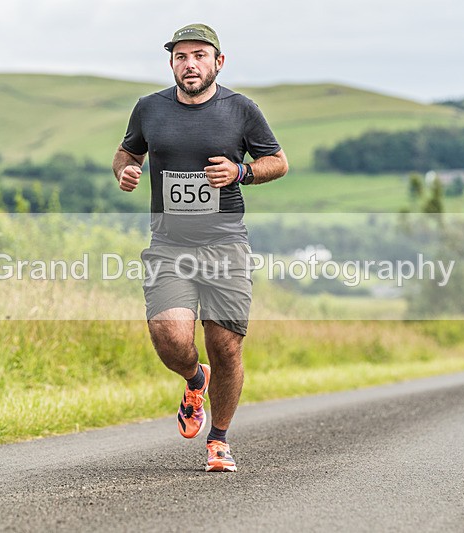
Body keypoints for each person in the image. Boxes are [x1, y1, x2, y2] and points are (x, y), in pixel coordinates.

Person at [111, 23, 289, 471]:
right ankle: (195, 380)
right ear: (171, 64)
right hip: (169, 244)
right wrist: (125, 171)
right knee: (169, 336)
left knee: (225, 346)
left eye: (199, 55)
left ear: (218, 62)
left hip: (225, 243)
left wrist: (241, 173)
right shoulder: (149, 109)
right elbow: (127, 153)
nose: (190, 64)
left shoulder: (241, 110)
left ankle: (220, 440)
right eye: (181, 57)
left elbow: (278, 162)